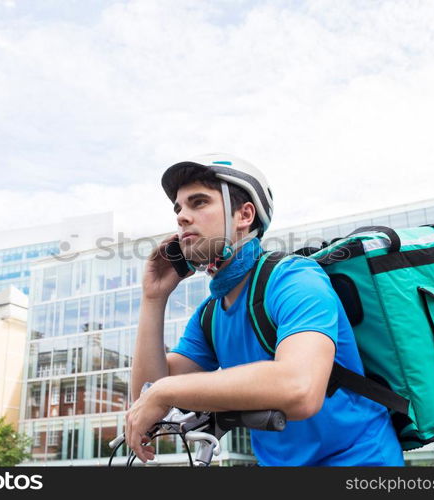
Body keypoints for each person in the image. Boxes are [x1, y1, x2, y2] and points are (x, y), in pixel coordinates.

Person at [126, 153, 404, 466]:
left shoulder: (293, 278)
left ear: (244, 215)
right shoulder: (210, 315)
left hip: (359, 462)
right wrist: (153, 298)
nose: (181, 217)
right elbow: (147, 397)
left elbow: (300, 388)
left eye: (199, 202)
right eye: (178, 208)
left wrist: (166, 391)